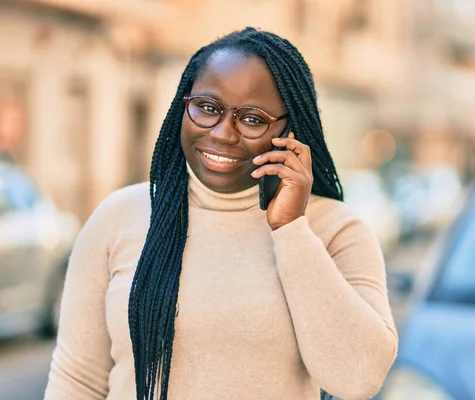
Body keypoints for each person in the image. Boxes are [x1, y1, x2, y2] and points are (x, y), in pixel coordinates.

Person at [45, 27, 397, 400]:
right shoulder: (118, 219)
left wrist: (291, 229)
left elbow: (359, 380)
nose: (223, 133)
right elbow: (77, 381)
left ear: (290, 130)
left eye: (252, 119)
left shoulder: (336, 229)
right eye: (208, 109)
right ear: (184, 106)